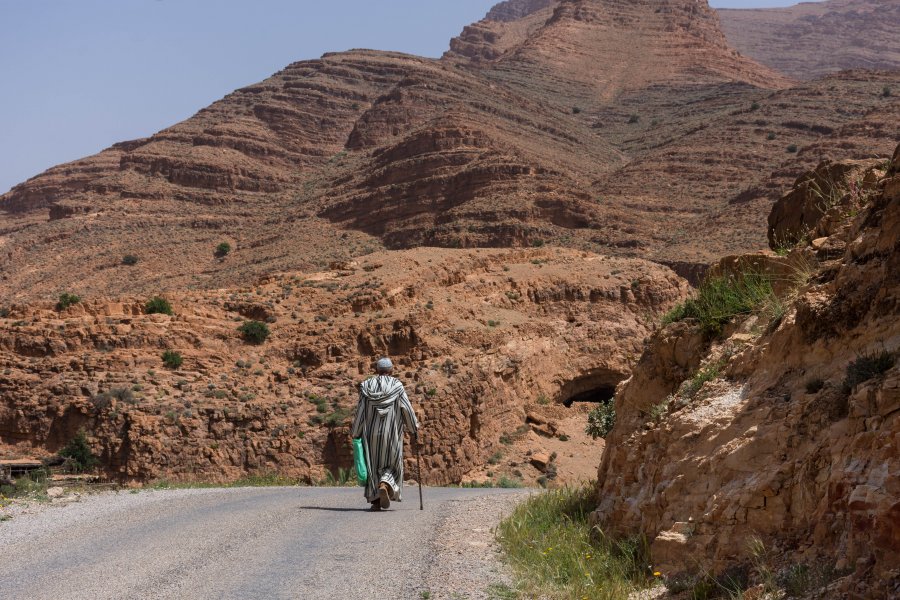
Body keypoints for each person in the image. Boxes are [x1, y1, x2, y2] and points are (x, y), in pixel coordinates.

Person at [351, 357, 420, 511]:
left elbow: (360, 412)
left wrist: (356, 432)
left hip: (371, 434)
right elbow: (406, 409)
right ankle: (385, 483)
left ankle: (375, 501)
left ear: (376, 370)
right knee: (393, 464)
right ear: (391, 371)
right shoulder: (397, 386)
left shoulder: (366, 386)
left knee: (373, 465)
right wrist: (414, 428)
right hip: (392, 433)